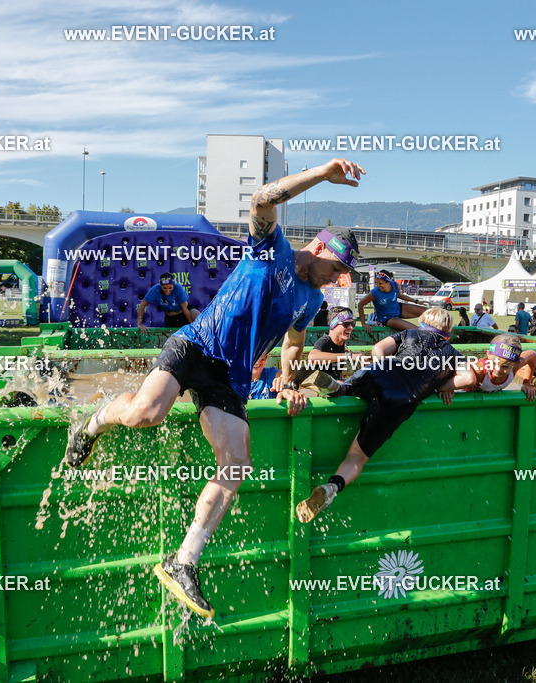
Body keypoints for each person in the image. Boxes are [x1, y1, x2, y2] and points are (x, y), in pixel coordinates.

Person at [64, 158, 365, 619]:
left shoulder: (311, 300)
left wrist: (287, 379)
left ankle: (183, 560)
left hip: (232, 377)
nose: (337, 278)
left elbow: (294, 342)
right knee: (147, 413)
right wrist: (323, 175)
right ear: (319, 248)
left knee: (238, 464)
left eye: (344, 274)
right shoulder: (272, 248)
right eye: (337, 267)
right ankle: (94, 421)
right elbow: (262, 199)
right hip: (197, 345)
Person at [294, 307, 477, 523]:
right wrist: (436, 386)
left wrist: (380, 368)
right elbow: (469, 379)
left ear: (423, 322)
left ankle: (338, 387)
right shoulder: (453, 353)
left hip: (383, 373)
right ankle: (332, 486)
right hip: (404, 398)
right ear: (448, 329)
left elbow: (379, 349)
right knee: (357, 456)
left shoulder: (409, 334)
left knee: (354, 385)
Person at [306, 306, 366, 382]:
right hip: (320, 387)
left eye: (352, 323)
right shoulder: (324, 341)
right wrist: (348, 356)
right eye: (346, 324)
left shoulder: (342, 344)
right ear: (333, 325)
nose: (351, 327)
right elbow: (312, 358)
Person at [358, 270, 427, 332]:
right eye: (377, 283)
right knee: (417, 330)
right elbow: (360, 304)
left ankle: (435, 330)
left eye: (380, 283)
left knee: (430, 313)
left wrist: (416, 301)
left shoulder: (395, 285)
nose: (378, 285)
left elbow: (401, 296)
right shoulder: (374, 293)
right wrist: (364, 324)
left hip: (398, 309)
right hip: (388, 318)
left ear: (388, 283)